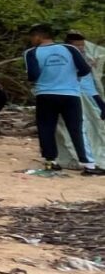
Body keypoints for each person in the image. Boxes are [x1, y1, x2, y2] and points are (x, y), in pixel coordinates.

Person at [25, 25, 103, 175]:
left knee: (46, 128)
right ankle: (89, 166)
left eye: (32, 37)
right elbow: (85, 70)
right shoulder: (70, 49)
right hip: (70, 95)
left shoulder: (31, 52)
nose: (31, 41)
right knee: (77, 129)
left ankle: (51, 163)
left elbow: (32, 76)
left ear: (38, 37)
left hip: (45, 95)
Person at [66, 33, 105, 120]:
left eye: (82, 45)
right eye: (77, 45)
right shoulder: (67, 55)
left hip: (90, 87)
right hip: (79, 88)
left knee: (100, 107)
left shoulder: (85, 55)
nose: (81, 47)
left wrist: (93, 63)